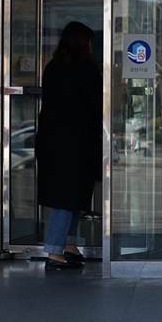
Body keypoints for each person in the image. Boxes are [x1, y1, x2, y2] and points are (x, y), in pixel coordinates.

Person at [36, 21, 102, 270]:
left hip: (52, 141)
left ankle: (70, 245)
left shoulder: (53, 66)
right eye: (89, 41)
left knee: (72, 196)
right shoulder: (85, 69)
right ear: (82, 42)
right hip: (76, 142)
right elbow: (97, 104)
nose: (91, 46)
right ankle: (54, 251)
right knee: (68, 198)